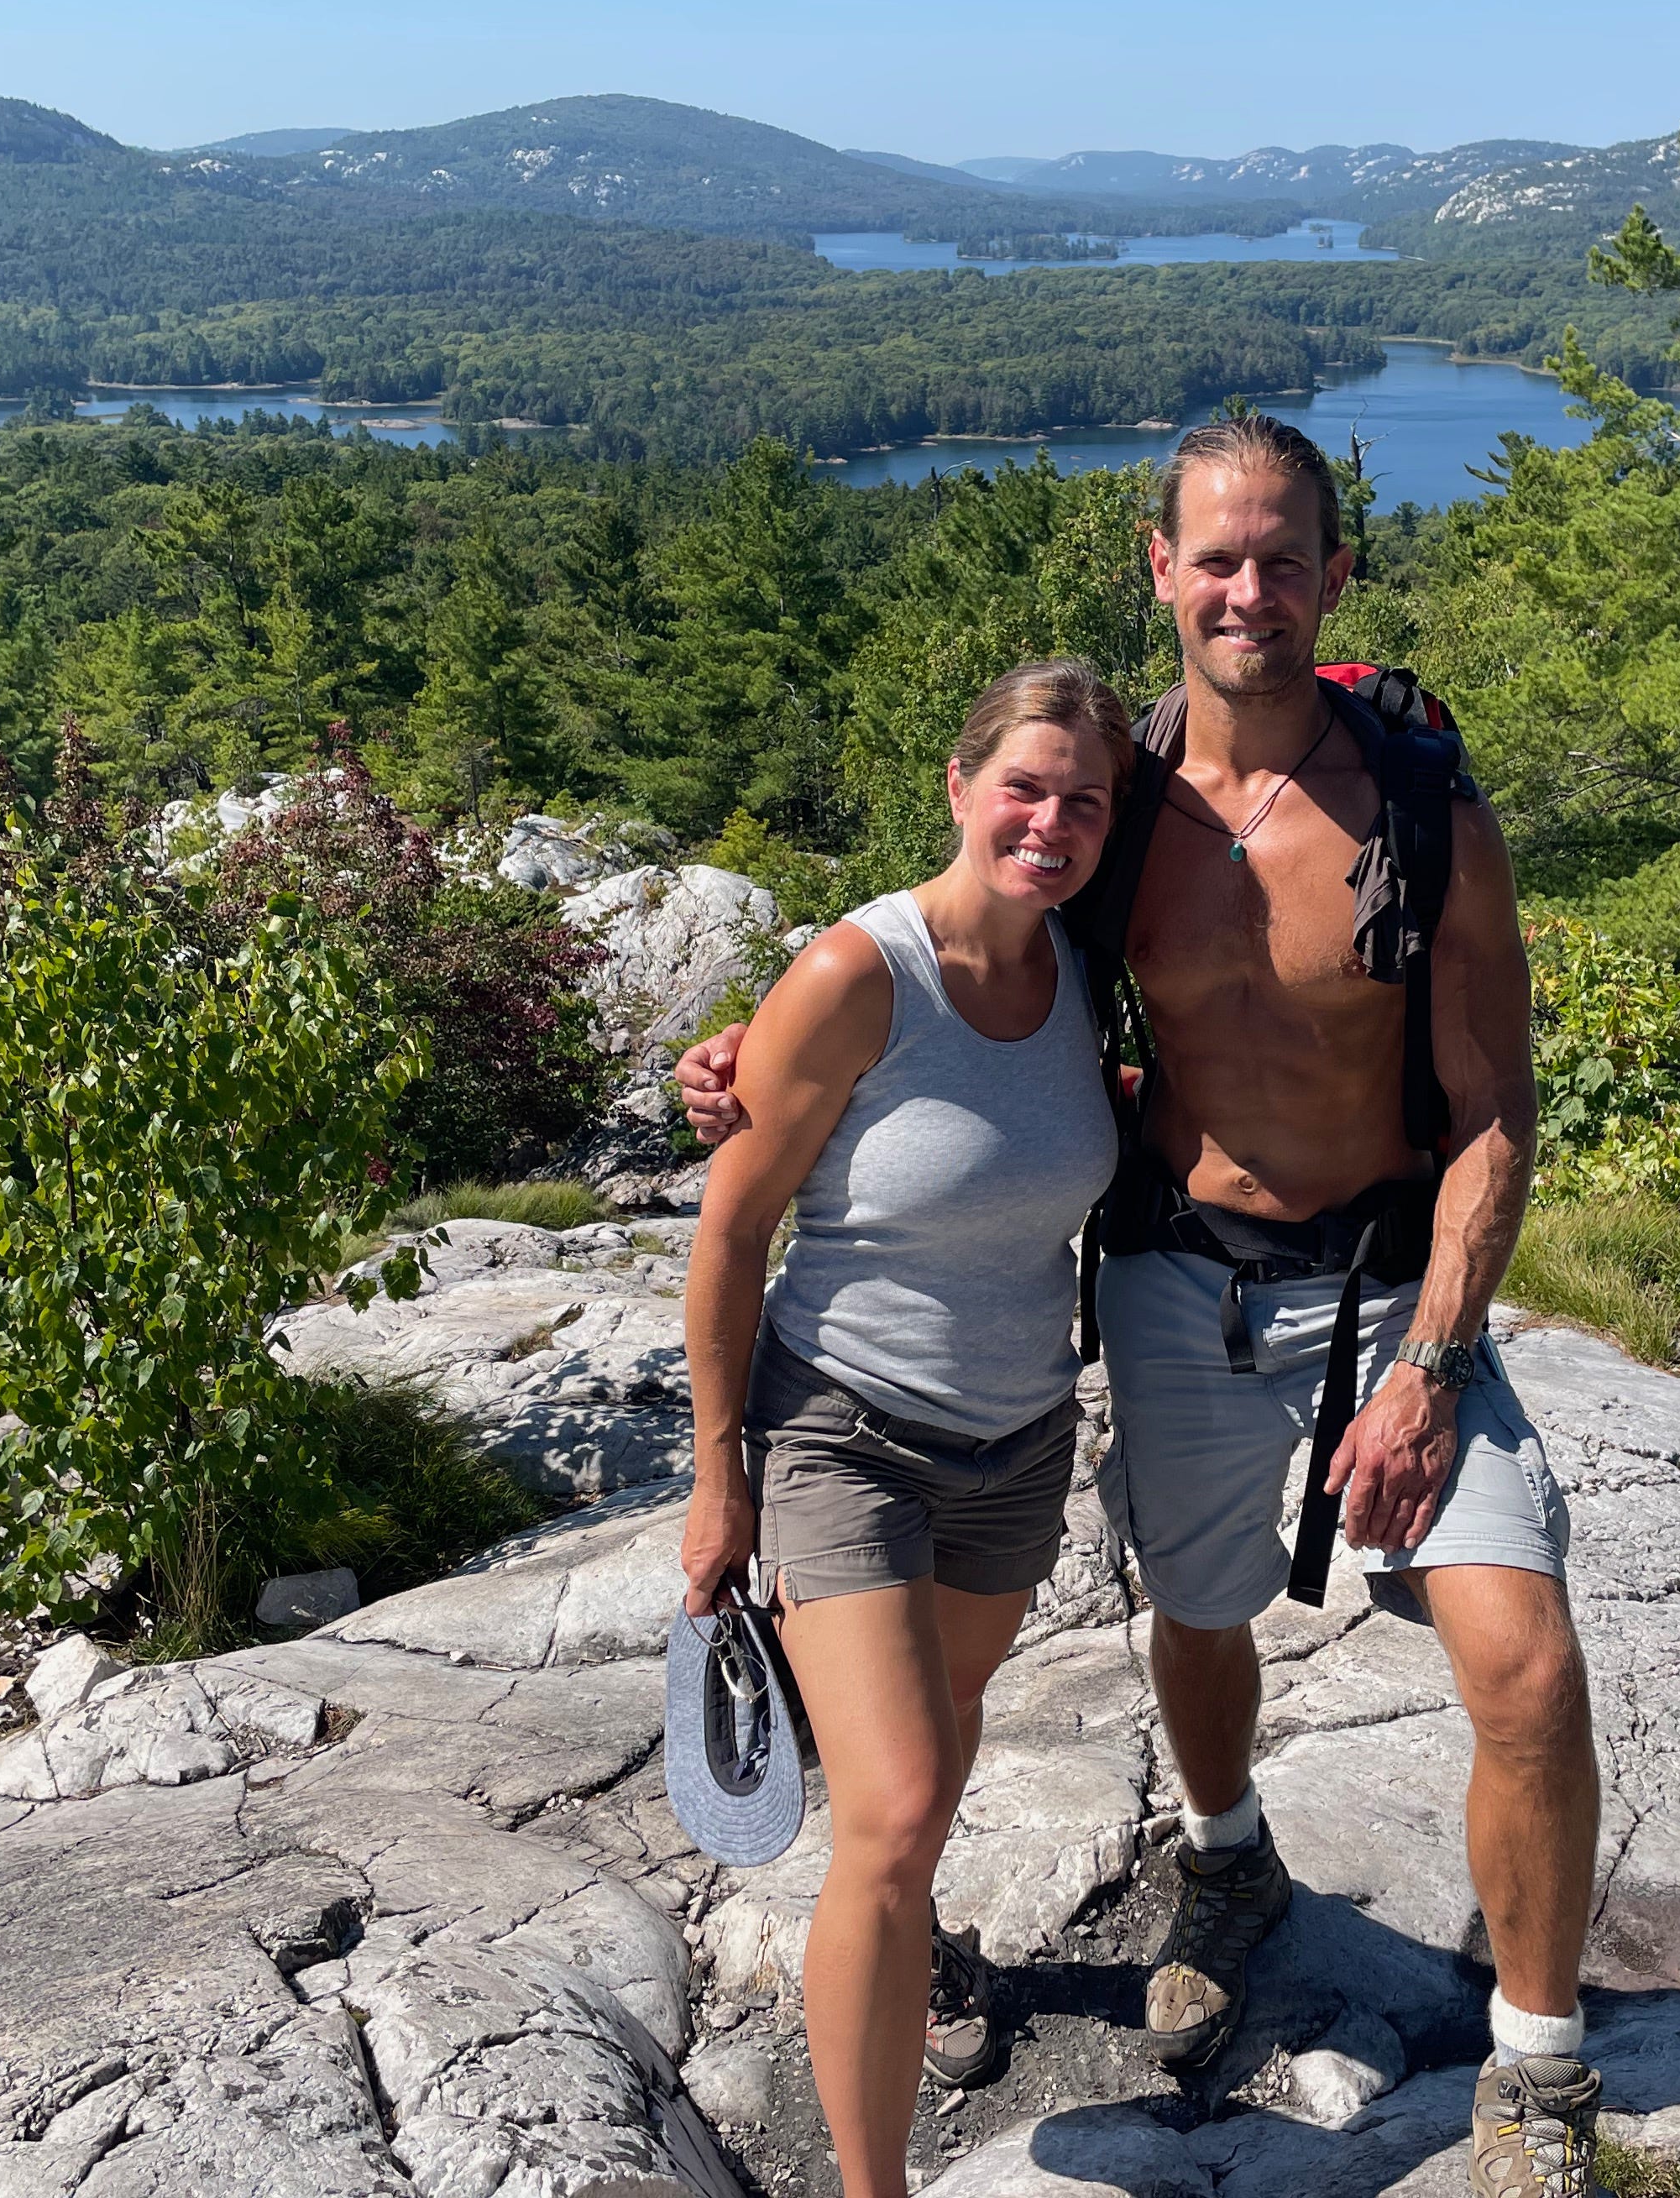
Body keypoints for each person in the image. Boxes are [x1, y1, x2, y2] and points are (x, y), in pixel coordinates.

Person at [682, 417, 1605, 2198]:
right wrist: (765, 1049)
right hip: (1179, 1279)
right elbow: (968, 946)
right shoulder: (1116, 807)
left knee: (1526, 1664)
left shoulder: (1424, 816)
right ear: (1160, 568)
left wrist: (1434, 1362)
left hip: (1388, 1291)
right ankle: (1226, 1854)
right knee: (1197, 1610)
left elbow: (1495, 1102)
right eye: (1218, 557)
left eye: (1285, 558)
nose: (1251, 590)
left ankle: (1541, 2074)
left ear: (1336, 576)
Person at [677, 660, 1133, 2198]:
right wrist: (719, 1477)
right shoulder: (857, 973)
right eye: (1024, 788)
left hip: (1018, 1439)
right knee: (898, 1806)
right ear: (958, 785)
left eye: (1084, 802)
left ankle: (916, 1945)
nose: (1050, 823)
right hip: (843, 1432)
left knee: (939, 1737)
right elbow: (730, 1233)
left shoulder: (1086, 967)